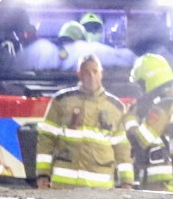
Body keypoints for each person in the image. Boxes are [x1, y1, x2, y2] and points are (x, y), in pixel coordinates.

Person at [37, 55, 134, 191]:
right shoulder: (61, 101)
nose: (91, 76)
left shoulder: (116, 107)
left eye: (95, 72)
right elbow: (46, 139)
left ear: (101, 73)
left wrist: (127, 181)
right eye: (86, 72)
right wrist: (43, 175)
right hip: (63, 188)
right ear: (79, 74)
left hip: (100, 190)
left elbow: (122, 147)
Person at [125, 54, 173, 191]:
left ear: (148, 81)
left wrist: (129, 118)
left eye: (140, 84)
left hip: (160, 183)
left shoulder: (164, 106)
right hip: (163, 180)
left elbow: (140, 140)